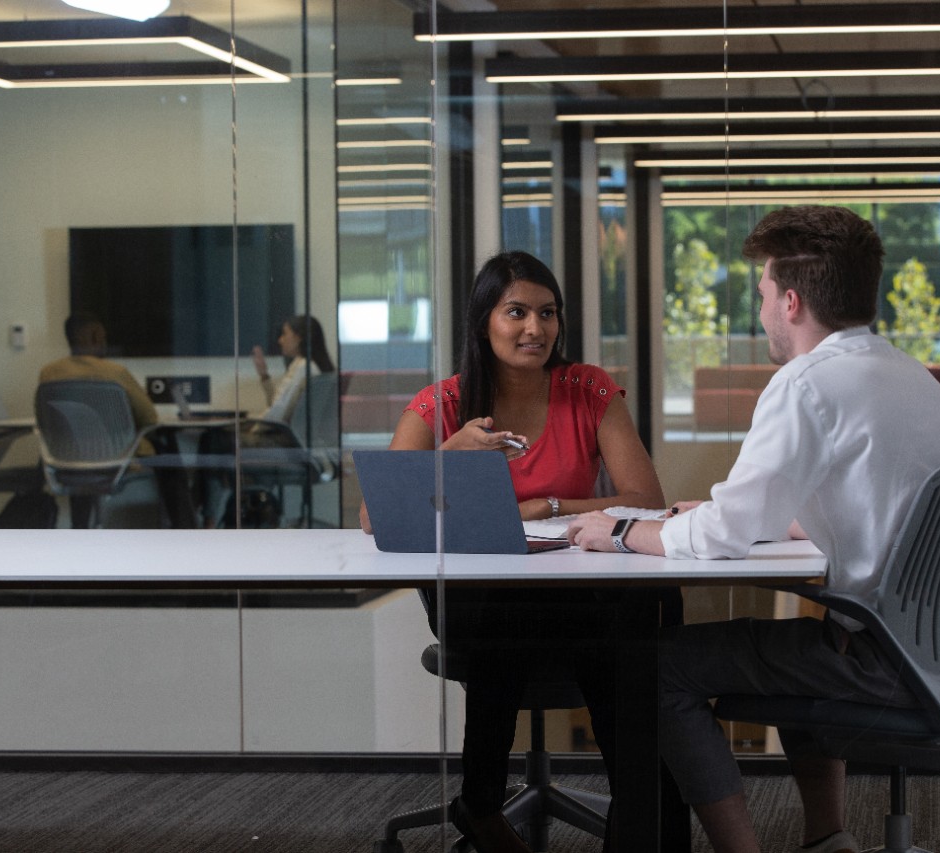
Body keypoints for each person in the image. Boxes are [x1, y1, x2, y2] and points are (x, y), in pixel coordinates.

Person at [565, 206, 940, 853]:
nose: (760, 315)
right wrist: (730, 514)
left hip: (882, 659)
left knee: (657, 663)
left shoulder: (805, 383)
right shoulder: (911, 377)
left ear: (790, 300)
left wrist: (618, 532)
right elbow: (869, 502)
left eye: (761, 296)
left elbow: (722, 536)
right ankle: (826, 839)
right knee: (797, 644)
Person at [360, 250, 667, 853]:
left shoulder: (587, 390)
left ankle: (632, 815)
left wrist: (540, 508)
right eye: (517, 312)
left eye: (547, 313)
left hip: (571, 590)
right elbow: (376, 516)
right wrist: (449, 454)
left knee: (626, 626)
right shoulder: (443, 403)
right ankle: (481, 805)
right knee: (508, 610)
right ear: (484, 322)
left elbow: (644, 498)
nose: (535, 329)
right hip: (478, 599)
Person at [38, 312, 197, 529]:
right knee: (167, 450)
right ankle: (185, 530)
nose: (105, 342)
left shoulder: (49, 373)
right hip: (118, 458)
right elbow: (150, 419)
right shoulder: (115, 373)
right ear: (94, 337)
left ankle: (79, 531)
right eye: (102, 337)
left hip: (68, 458)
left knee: (81, 452)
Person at [198, 314, 336, 527]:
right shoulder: (312, 366)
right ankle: (210, 511)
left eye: (285, 334)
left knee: (212, 440)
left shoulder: (302, 366)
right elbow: (282, 406)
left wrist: (249, 426)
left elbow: (277, 414)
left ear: (299, 337)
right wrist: (264, 376)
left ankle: (208, 518)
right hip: (295, 441)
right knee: (219, 445)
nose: (280, 340)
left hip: (286, 443)